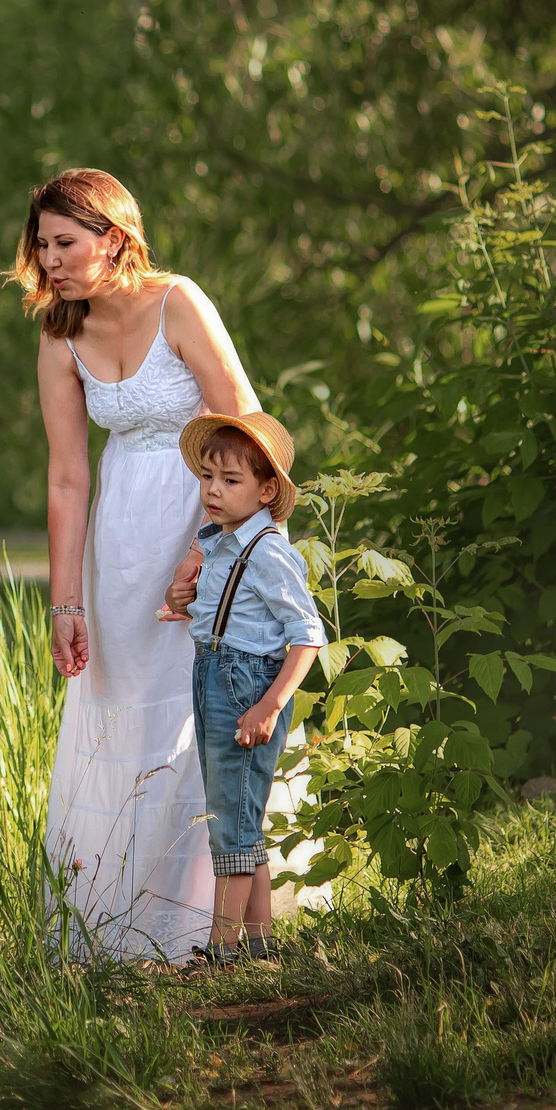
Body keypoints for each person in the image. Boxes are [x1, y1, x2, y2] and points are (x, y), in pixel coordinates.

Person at [10, 168, 260, 962]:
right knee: (129, 715)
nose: (50, 259)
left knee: (207, 722)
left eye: (65, 242)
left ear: (113, 238)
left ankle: (212, 934)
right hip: (121, 547)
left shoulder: (178, 302)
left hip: (211, 522)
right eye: (42, 244)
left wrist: (206, 548)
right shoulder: (60, 335)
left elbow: (247, 427)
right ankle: (129, 933)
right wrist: (65, 603)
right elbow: (65, 476)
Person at [166, 411, 326, 963]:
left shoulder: (270, 552)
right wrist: (185, 601)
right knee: (238, 814)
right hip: (214, 674)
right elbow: (220, 608)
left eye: (230, 481)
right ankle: (259, 948)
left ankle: (222, 953)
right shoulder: (221, 540)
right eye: (208, 476)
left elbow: (308, 636)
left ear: (266, 491)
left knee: (229, 825)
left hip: (247, 687)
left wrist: (270, 704)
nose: (213, 489)